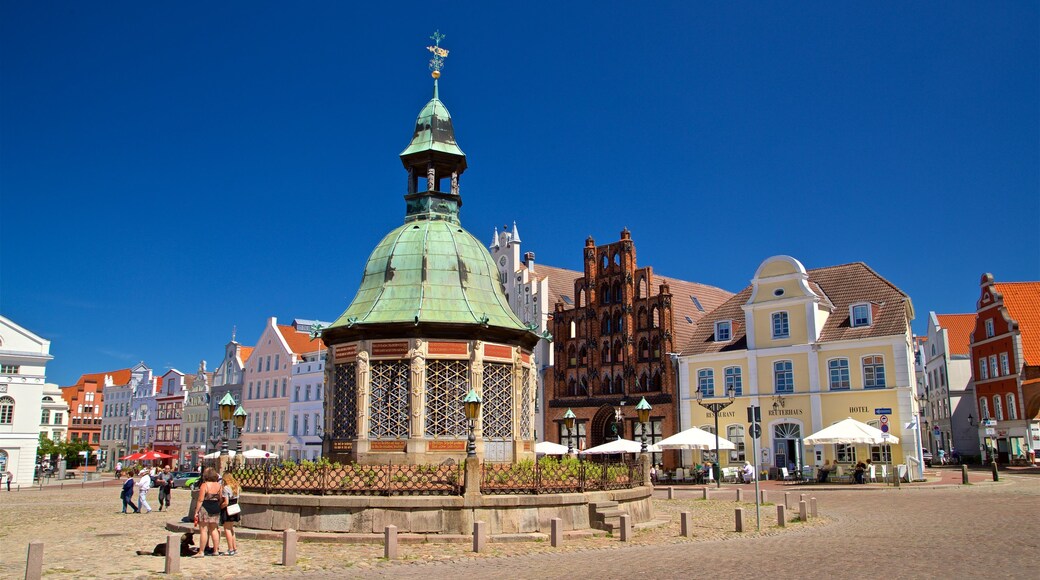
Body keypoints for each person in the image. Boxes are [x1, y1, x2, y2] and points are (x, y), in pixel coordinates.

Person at [194, 467, 225, 557]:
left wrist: (196, 511)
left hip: (205, 507)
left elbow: (200, 500)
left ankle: (201, 551)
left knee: (203, 530)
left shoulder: (205, 485)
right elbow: (220, 498)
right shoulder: (219, 486)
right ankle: (216, 550)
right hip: (215, 507)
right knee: (214, 529)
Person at [220, 472, 241, 556]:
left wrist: (220, 507)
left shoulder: (226, 488)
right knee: (231, 529)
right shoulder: (236, 487)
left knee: (227, 529)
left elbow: (226, 502)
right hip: (235, 508)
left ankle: (230, 549)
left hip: (228, 509)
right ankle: (234, 547)